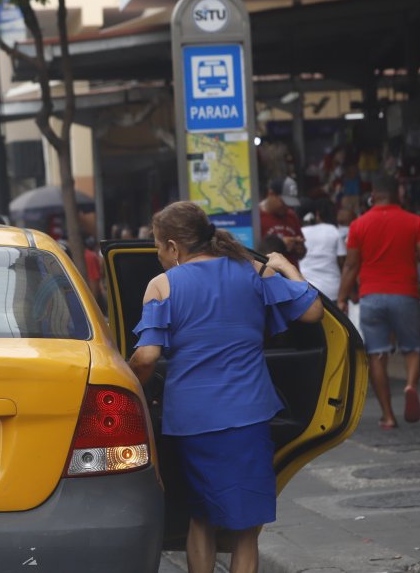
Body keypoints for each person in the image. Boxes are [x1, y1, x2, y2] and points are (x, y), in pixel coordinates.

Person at [127, 202, 323, 573]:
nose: (157, 255)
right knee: (247, 531)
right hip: (249, 415)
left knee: (201, 519)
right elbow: (313, 313)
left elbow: (148, 355)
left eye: (156, 246)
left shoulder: (163, 285)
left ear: (173, 246)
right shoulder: (251, 271)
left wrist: (128, 381)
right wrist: (285, 267)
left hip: (192, 420)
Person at [337, 175, 420, 429]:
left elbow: (350, 265)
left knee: (377, 354)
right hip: (405, 294)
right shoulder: (414, 222)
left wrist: (341, 298)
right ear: (398, 194)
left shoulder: (359, 225)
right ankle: (410, 385)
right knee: (412, 348)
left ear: (374, 194)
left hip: (371, 296)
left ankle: (388, 415)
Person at [299, 200, 346, 300]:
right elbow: (342, 262)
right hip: (332, 290)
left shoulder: (300, 233)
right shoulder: (333, 230)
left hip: (307, 289)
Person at [260, 177, 306, 266]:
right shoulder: (257, 218)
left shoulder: (291, 216)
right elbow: (256, 252)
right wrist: (280, 244)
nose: (287, 207)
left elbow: (302, 253)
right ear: (271, 194)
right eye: (284, 202)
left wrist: (300, 248)